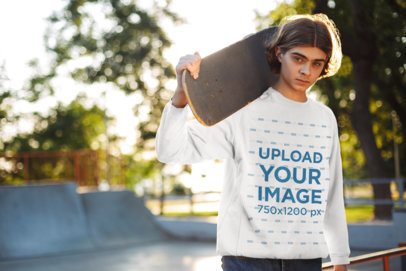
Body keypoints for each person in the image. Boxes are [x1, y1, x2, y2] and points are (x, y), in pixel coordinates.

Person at [156, 13, 350, 271]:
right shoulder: (243, 112)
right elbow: (170, 150)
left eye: (317, 63)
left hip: (306, 261)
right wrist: (180, 98)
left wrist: (340, 260)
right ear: (279, 54)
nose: (306, 71)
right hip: (248, 262)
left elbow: (332, 195)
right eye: (298, 59)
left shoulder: (324, 118)